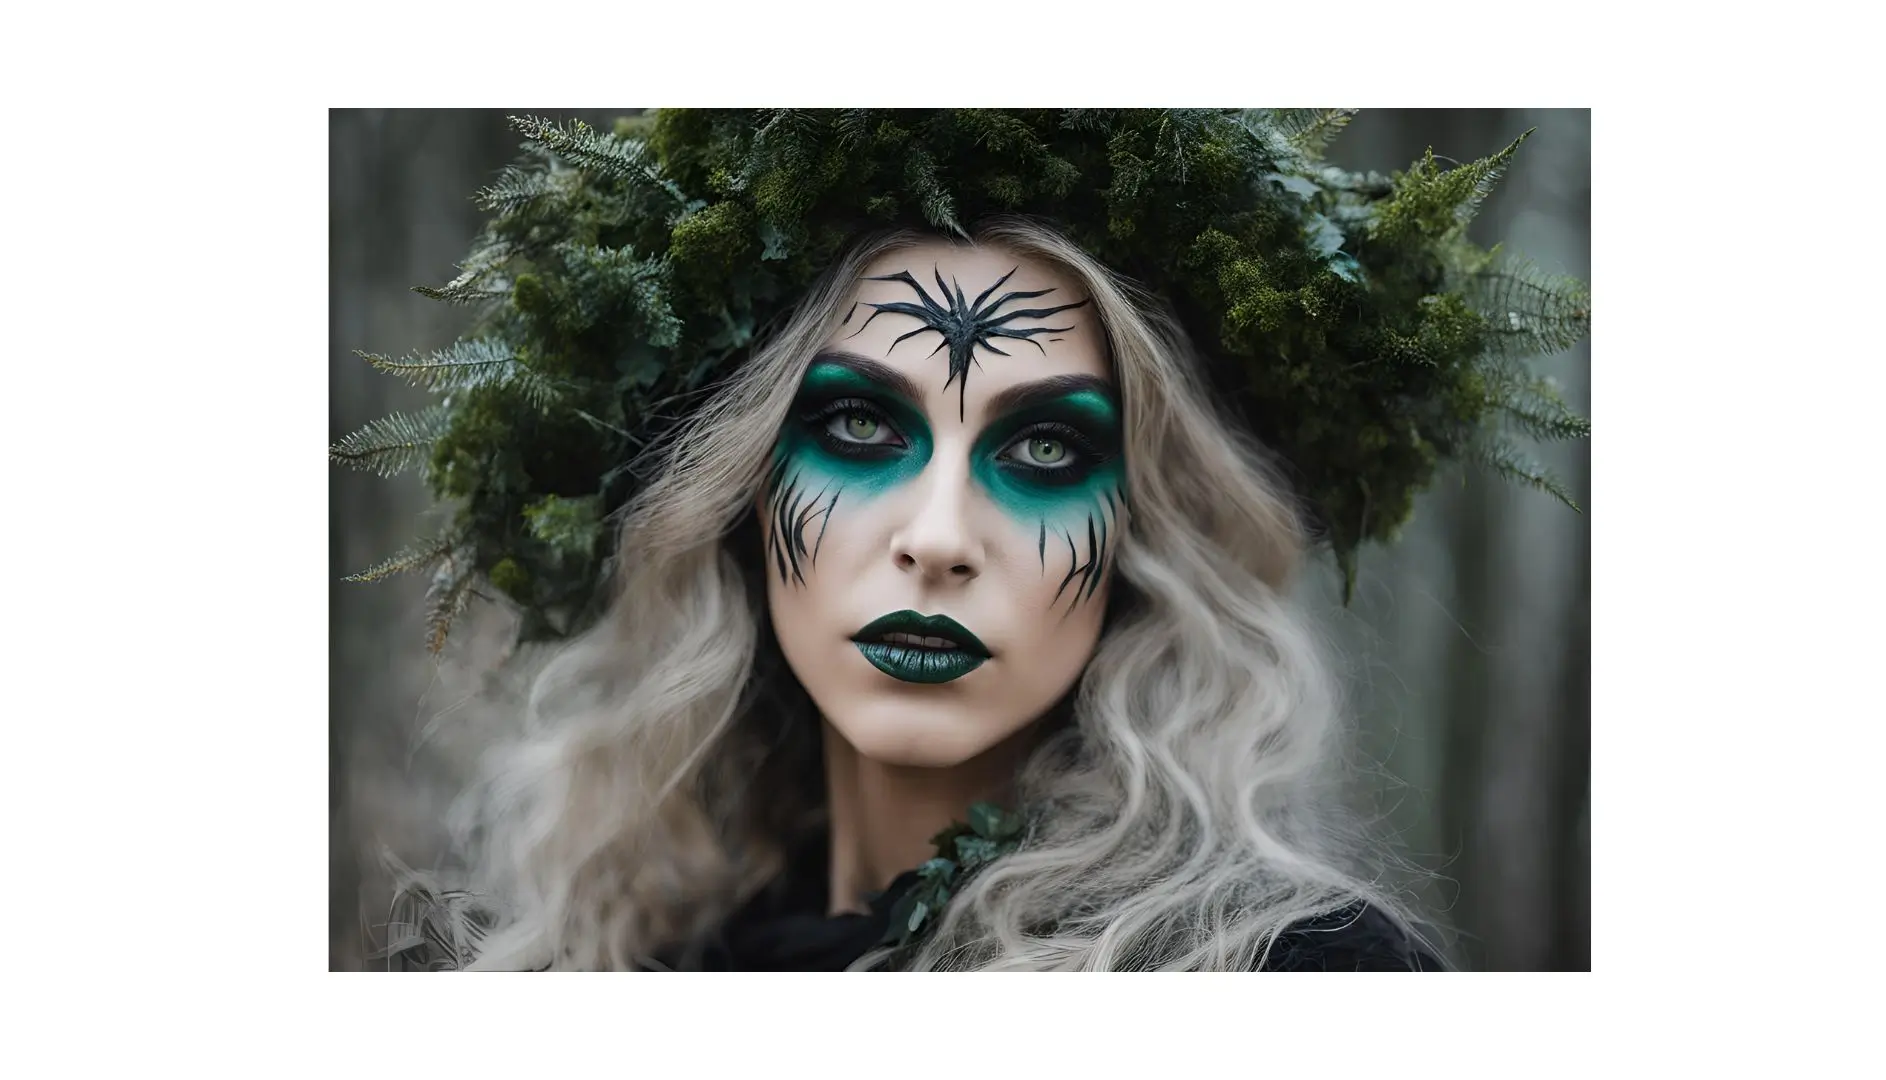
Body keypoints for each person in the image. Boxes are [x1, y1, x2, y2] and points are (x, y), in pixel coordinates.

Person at [341, 110, 1587, 971]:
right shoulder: (591, 970)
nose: (937, 541)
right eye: (854, 425)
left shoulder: (1294, 982)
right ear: (738, 497)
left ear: (1149, 532)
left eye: (1044, 450)